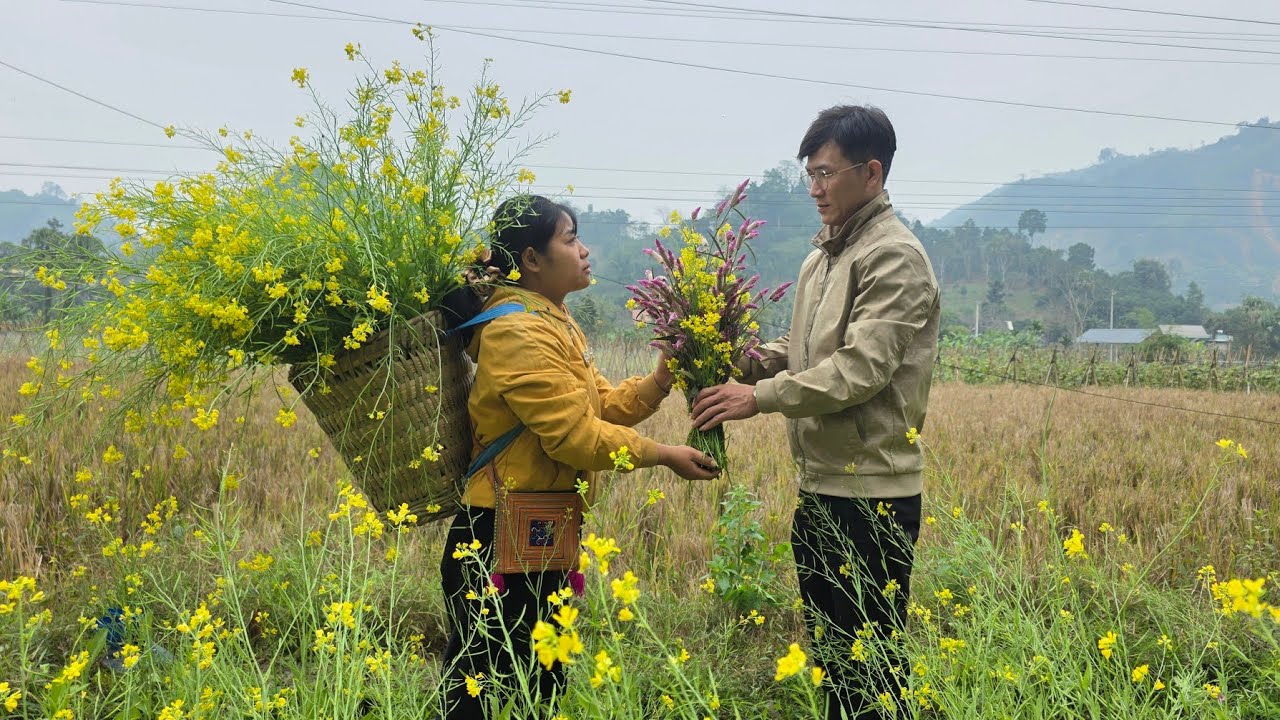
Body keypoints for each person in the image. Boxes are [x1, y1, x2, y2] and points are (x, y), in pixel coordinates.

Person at [690, 106, 940, 719]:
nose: (815, 189)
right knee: (836, 666)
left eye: (827, 174)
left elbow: (860, 369)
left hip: (872, 495)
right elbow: (803, 349)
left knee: (871, 673)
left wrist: (761, 398)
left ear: (872, 173)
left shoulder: (895, 257)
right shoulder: (822, 257)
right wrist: (737, 359)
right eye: (811, 174)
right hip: (824, 488)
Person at [439, 194, 720, 719]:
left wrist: (661, 378)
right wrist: (662, 455)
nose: (586, 250)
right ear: (531, 260)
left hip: (537, 522)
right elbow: (572, 436)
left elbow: (601, 407)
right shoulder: (517, 331)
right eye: (570, 239)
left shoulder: (554, 319)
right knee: (481, 689)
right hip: (495, 532)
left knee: (541, 682)